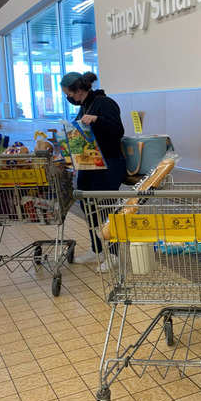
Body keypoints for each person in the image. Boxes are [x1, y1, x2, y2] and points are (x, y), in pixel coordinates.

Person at [60, 72, 126, 268]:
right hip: (89, 165)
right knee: (88, 206)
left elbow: (118, 130)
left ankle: (113, 255)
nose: (68, 98)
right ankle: (96, 249)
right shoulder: (84, 106)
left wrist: (97, 119)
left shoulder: (105, 103)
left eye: (69, 94)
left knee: (106, 207)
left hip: (109, 164)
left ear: (79, 90)